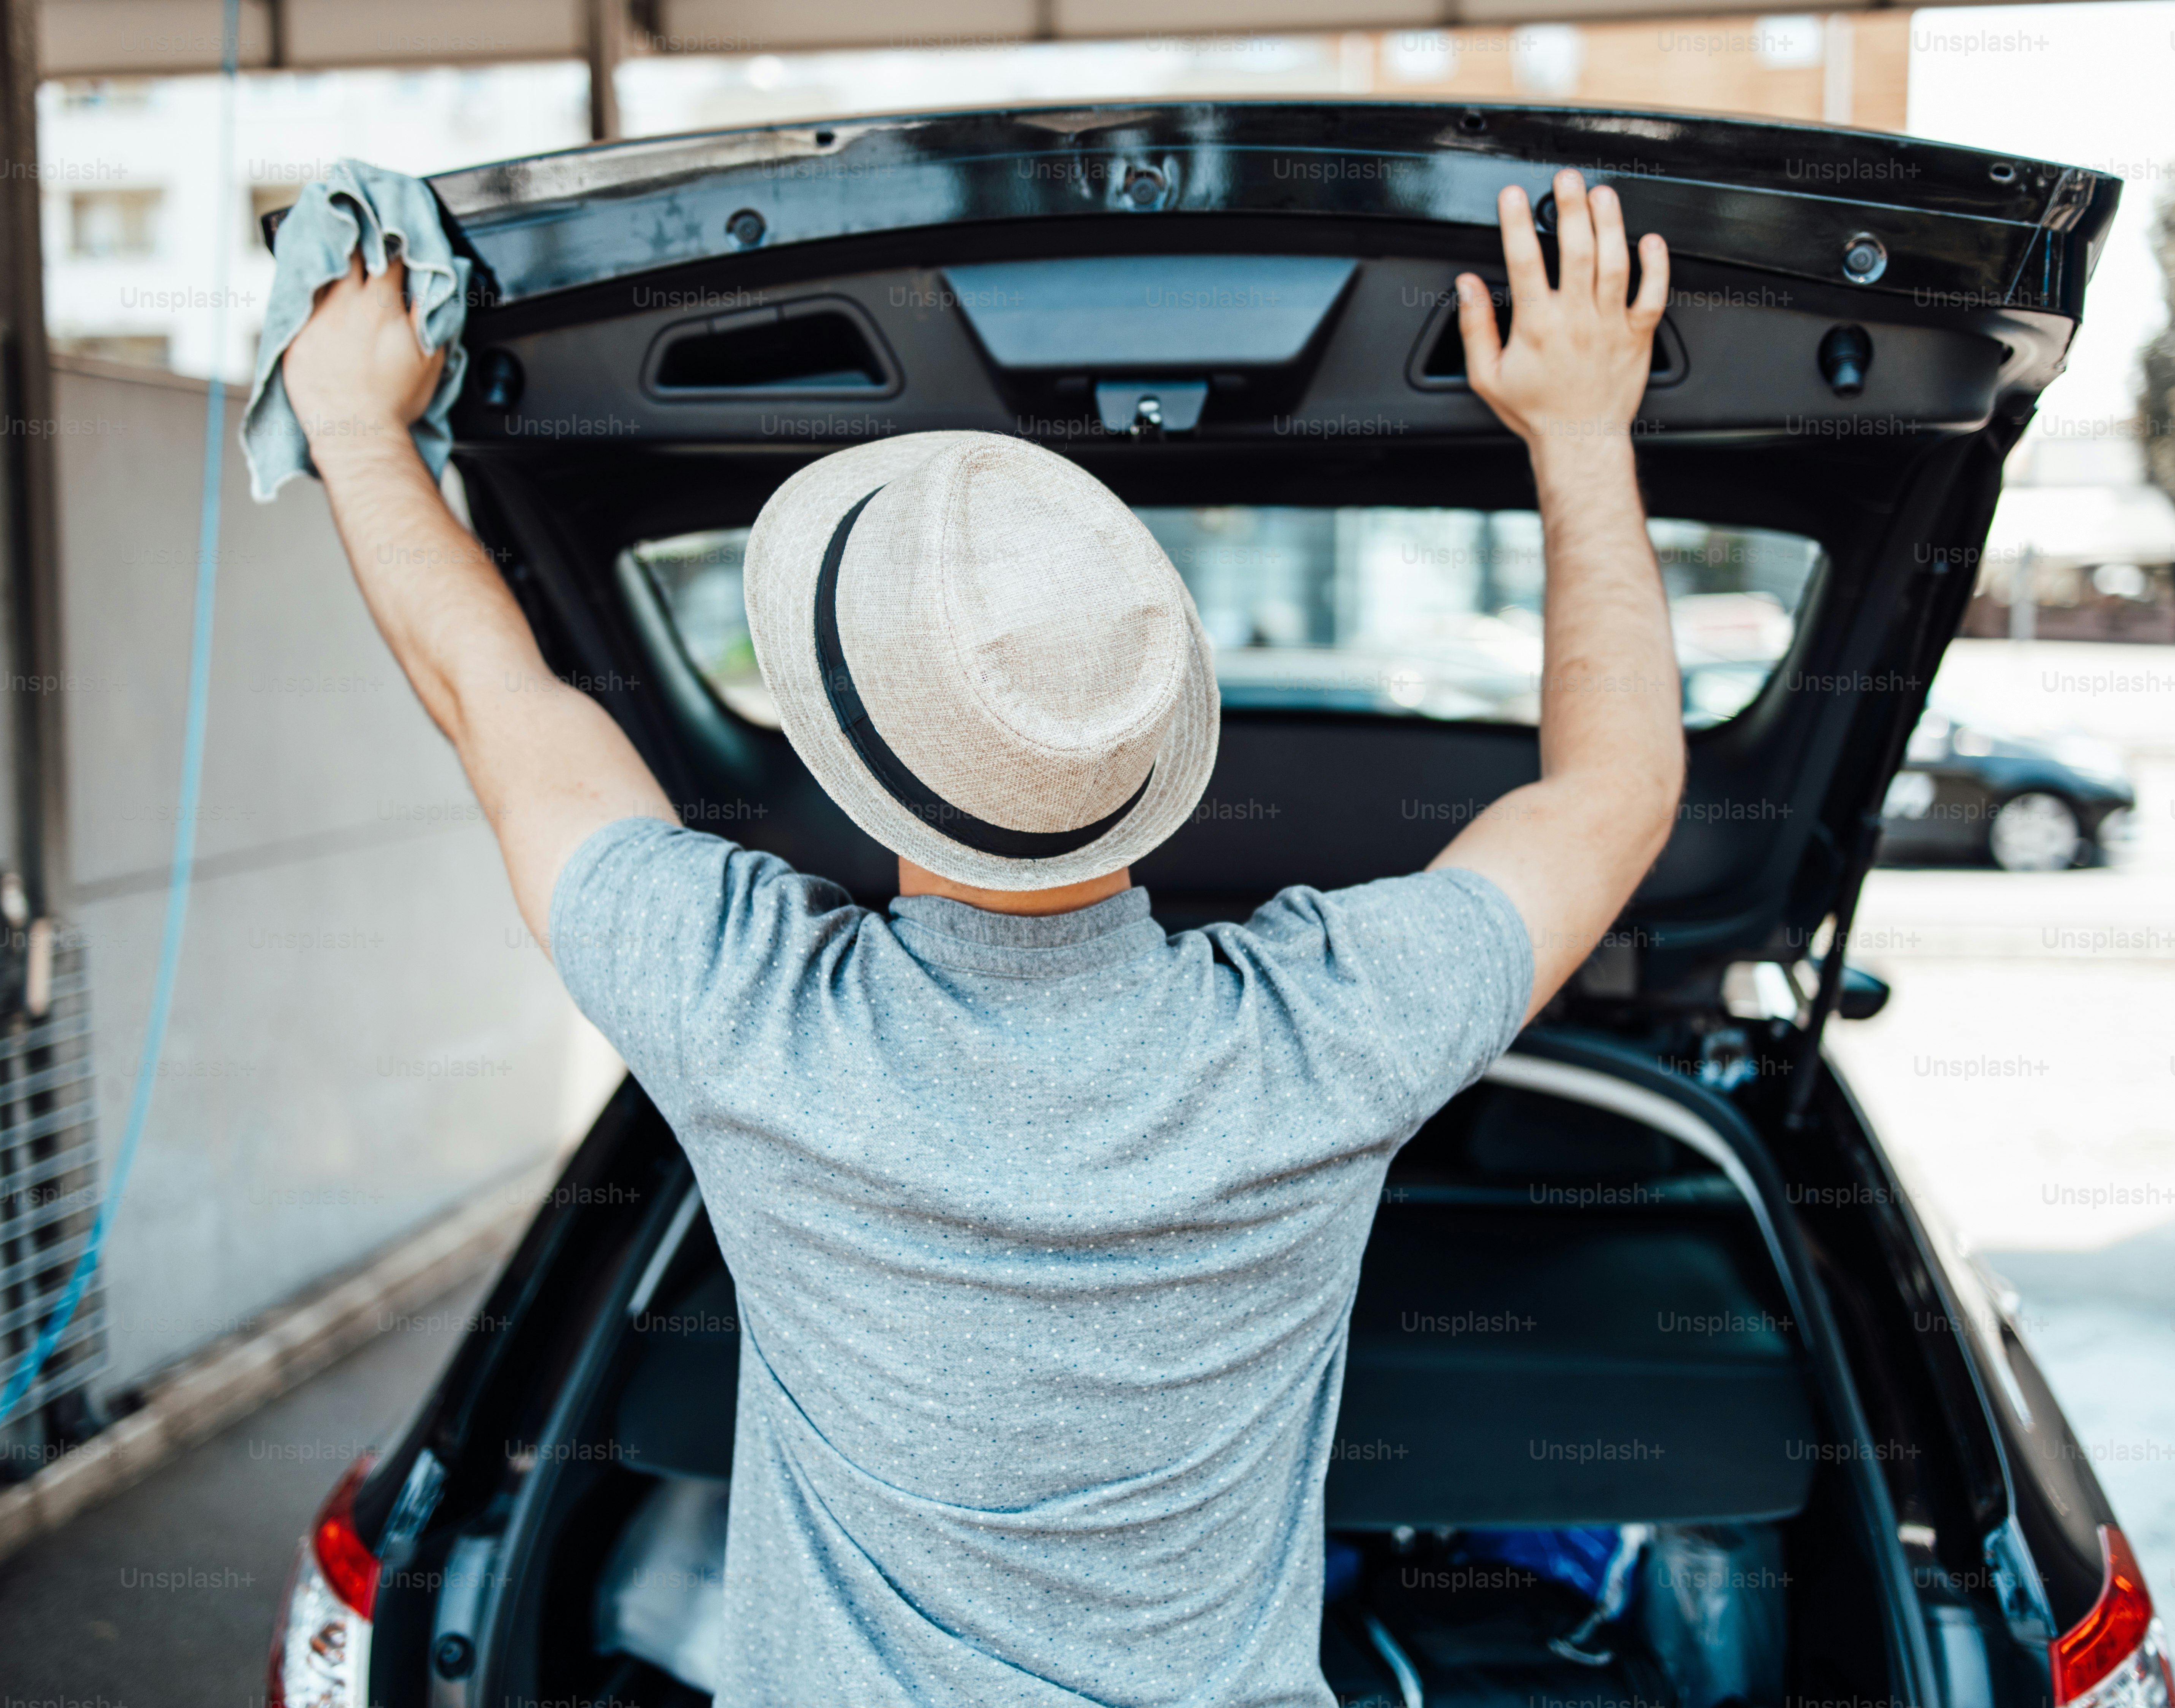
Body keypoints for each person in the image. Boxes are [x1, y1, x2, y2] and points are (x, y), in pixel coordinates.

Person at [282, 168, 1682, 1707]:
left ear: (850, 762)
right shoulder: (1326, 1039)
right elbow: (1615, 797)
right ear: (1154, 760)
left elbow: (501, 705)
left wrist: (355, 425)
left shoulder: (742, 1011)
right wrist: (1583, 430)